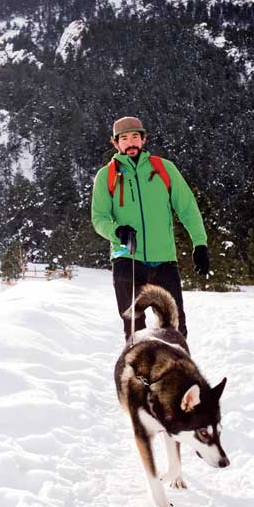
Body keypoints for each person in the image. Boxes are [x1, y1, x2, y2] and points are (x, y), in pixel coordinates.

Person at [90, 115, 210, 340]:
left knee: (175, 329)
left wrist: (200, 243)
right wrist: (117, 231)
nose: (130, 142)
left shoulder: (164, 169)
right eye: (124, 138)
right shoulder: (107, 176)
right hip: (127, 259)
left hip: (164, 261)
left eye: (135, 136)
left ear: (143, 140)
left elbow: (187, 208)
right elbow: (99, 218)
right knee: (135, 332)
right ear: (116, 143)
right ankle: (138, 375)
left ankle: (177, 374)